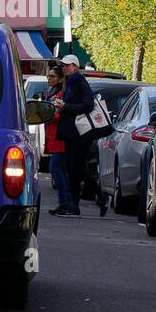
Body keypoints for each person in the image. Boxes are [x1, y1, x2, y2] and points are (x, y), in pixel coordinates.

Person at [51, 53, 96, 217]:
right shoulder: (69, 83)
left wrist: (66, 106)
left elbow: (87, 105)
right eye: (63, 66)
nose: (64, 68)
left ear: (76, 67)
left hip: (79, 133)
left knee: (74, 169)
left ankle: (83, 201)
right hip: (70, 133)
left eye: (67, 65)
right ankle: (72, 204)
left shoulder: (80, 82)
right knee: (70, 169)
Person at [43, 63, 74, 213]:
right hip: (54, 135)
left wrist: (46, 115)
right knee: (60, 169)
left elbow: (59, 114)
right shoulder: (50, 92)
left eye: (53, 76)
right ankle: (68, 202)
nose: (49, 78)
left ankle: (65, 202)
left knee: (55, 168)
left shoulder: (61, 94)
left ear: (61, 79)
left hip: (60, 136)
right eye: (48, 76)